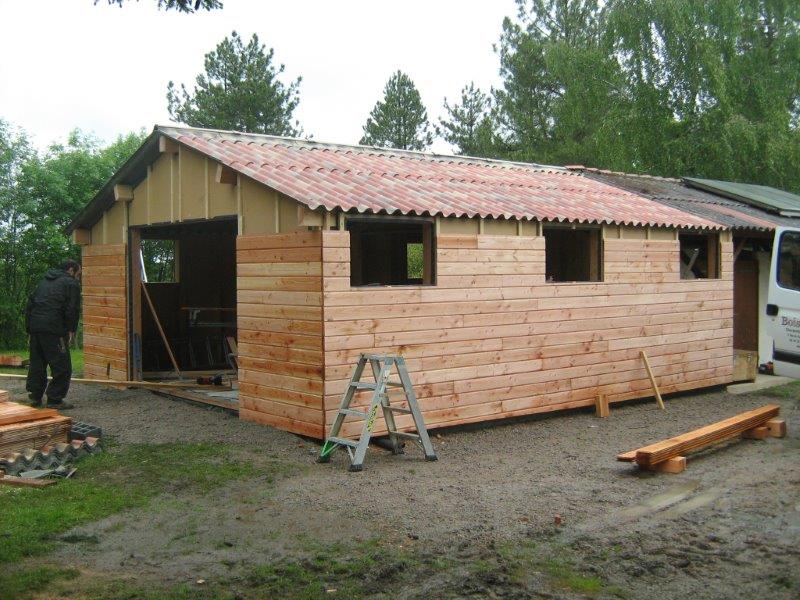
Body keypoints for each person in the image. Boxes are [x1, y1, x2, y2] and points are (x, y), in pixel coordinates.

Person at [25, 259, 81, 409]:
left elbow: (30, 304)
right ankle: (54, 400)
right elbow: (72, 308)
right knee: (62, 366)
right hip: (54, 329)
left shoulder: (43, 282)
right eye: (78, 274)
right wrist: (71, 330)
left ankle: (35, 397)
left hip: (36, 326)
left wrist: (29, 329)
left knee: (37, 364)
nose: (78, 277)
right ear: (71, 270)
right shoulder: (71, 283)